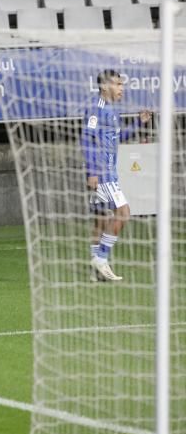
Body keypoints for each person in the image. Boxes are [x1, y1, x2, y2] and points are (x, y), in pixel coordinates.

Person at [82, 69, 151, 282]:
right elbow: (86, 139)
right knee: (124, 212)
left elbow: (117, 138)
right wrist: (92, 172)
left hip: (109, 173)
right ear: (104, 87)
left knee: (101, 220)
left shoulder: (113, 111)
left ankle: (96, 270)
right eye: (117, 84)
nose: (122, 88)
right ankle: (101, 259)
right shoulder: (96, 109)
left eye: (122, 85)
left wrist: (139, 124)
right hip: (103, 174)